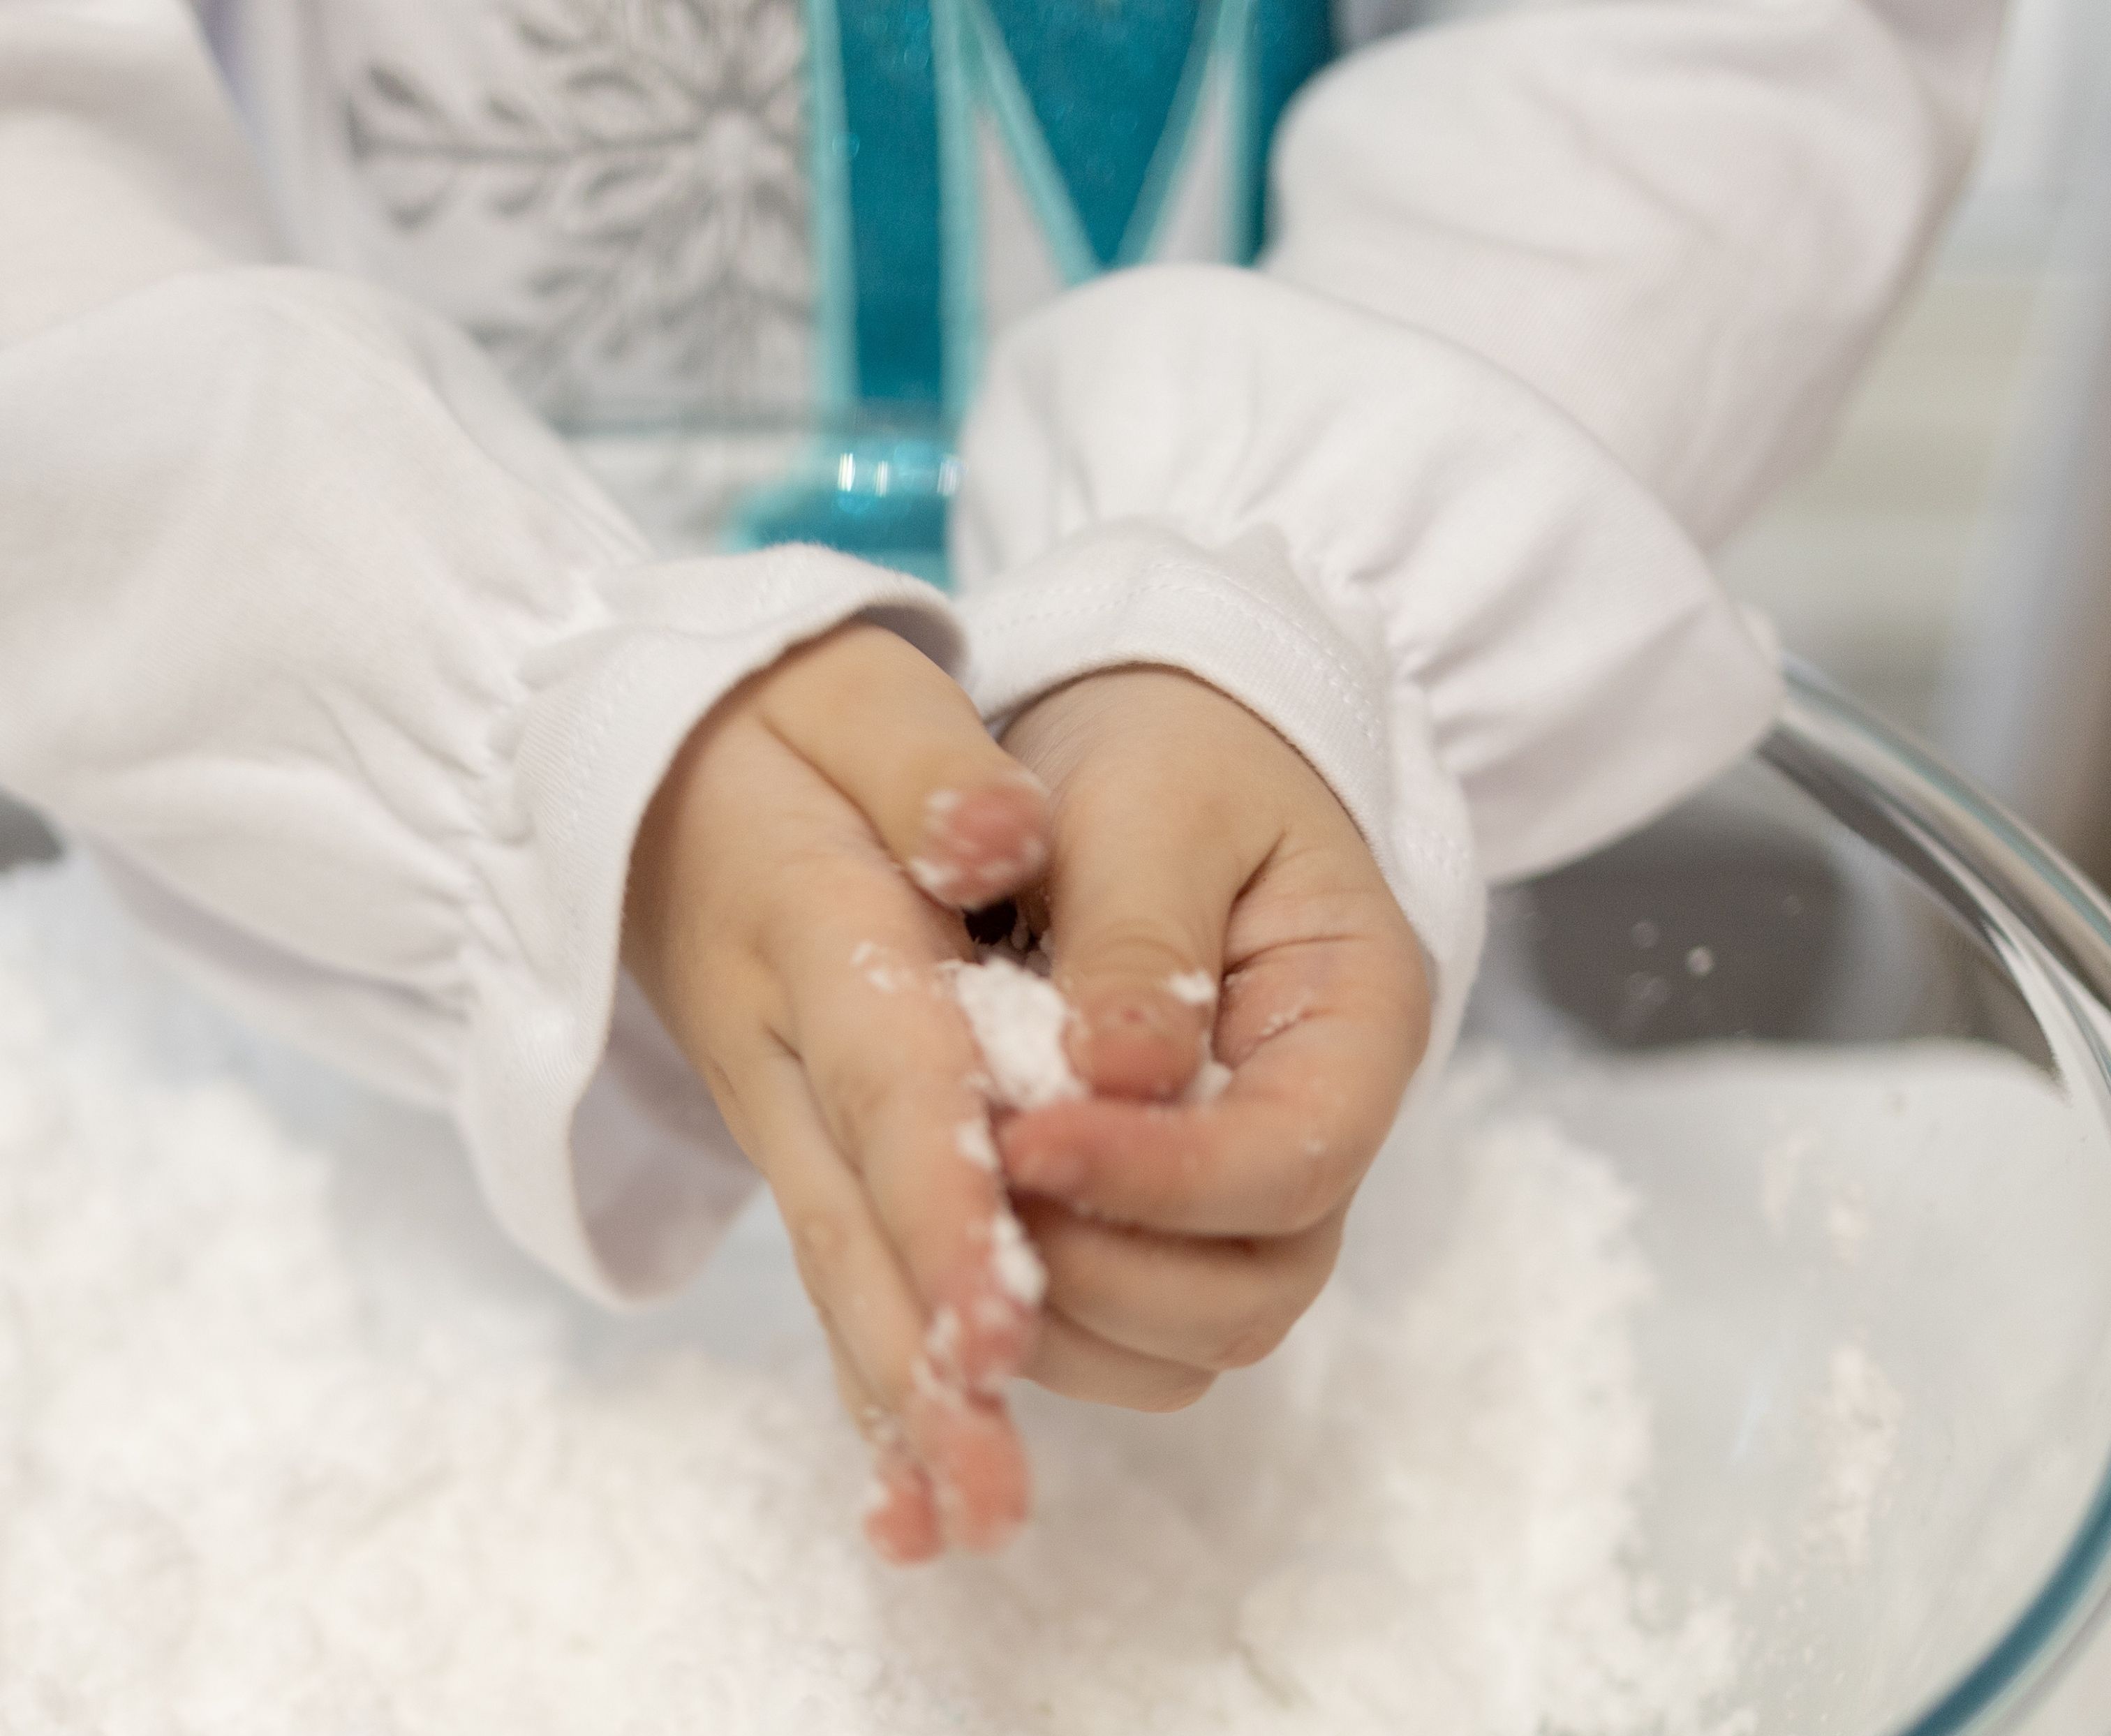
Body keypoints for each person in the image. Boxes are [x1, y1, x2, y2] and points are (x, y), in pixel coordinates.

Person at [0, 1, 2003, 1560]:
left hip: (1323, 983)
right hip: (324, 987)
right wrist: (554, 741)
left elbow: (1700, 62)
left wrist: (1257, 627)